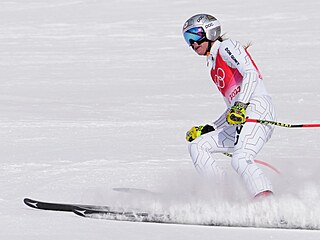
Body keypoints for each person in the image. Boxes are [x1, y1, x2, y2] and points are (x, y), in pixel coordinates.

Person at [182, 14, 276, 198]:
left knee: (241, 158)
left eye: (195, 35)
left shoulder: (227, 47)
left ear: (210, 31)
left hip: (259, 109)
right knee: (198, 146)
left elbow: (251, 73)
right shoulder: (214, 67)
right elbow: (232, 107)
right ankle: (226, 198)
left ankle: (267, 204)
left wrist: (240, 106)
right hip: (242, 117)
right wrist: (212, 127)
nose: (192, 43)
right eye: (188, 39)